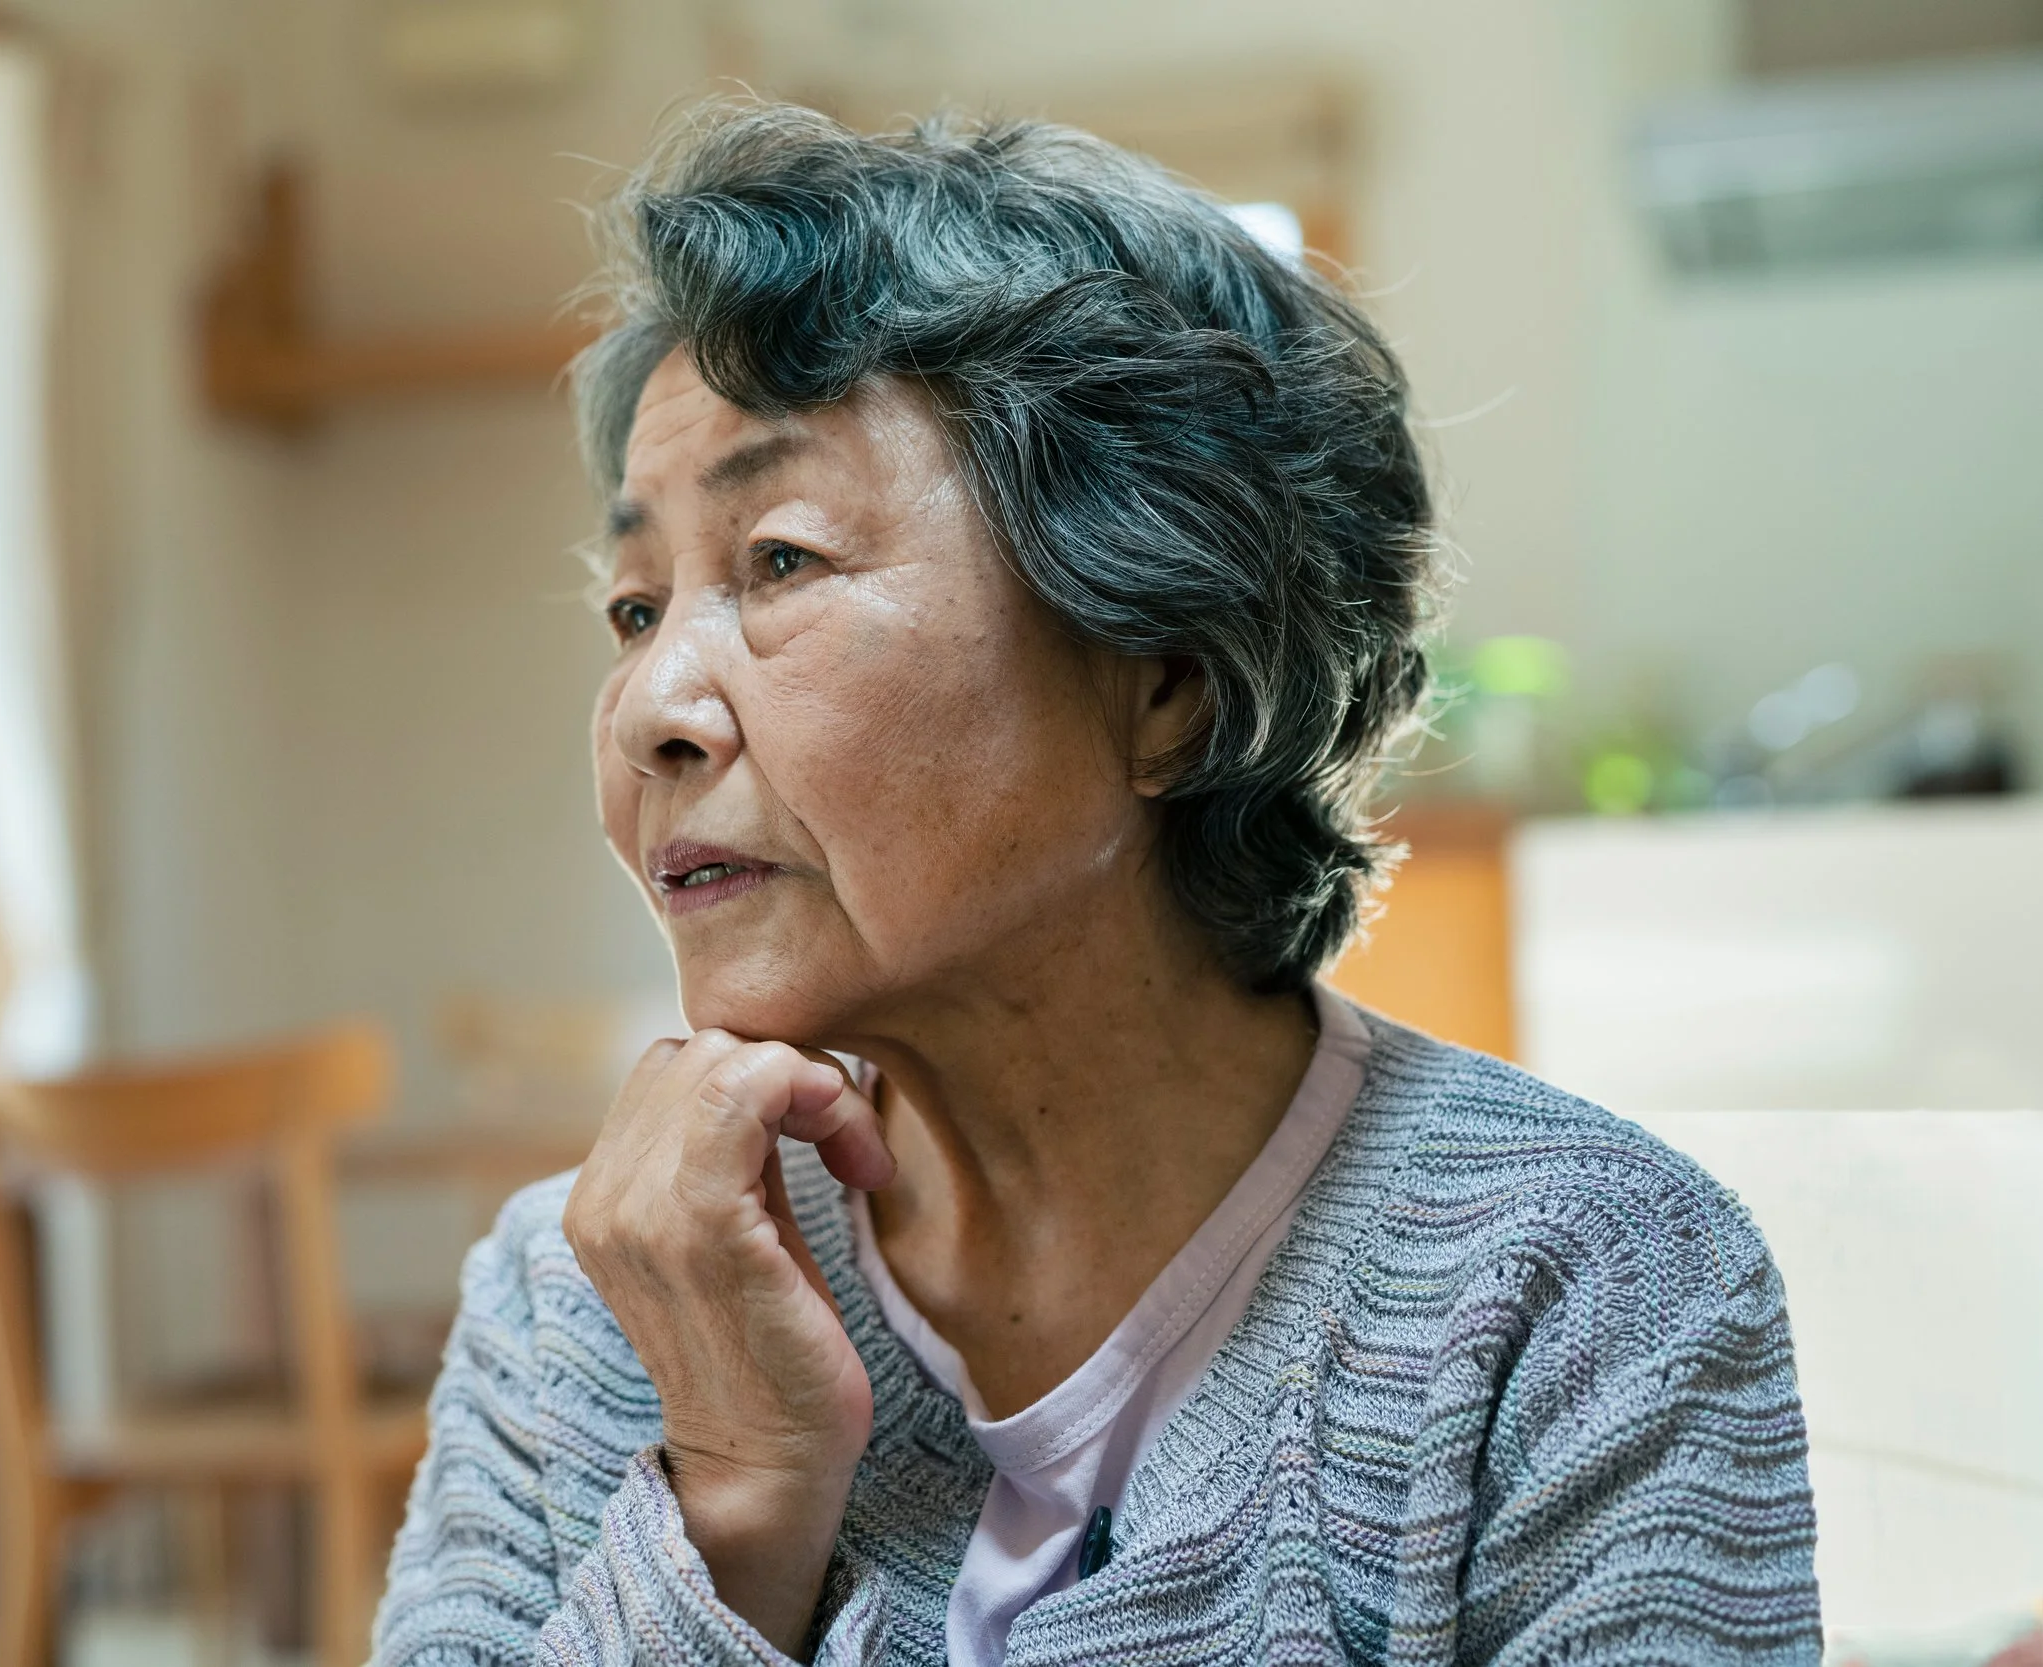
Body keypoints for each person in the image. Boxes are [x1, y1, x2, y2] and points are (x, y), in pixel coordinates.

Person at [371, 100, 1819, 1666]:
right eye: (637, 606)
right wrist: (734, 1498)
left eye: (780, 559)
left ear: (1167, 681)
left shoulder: (1579, 1288)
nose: (650, 707)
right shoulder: (587, 1305)